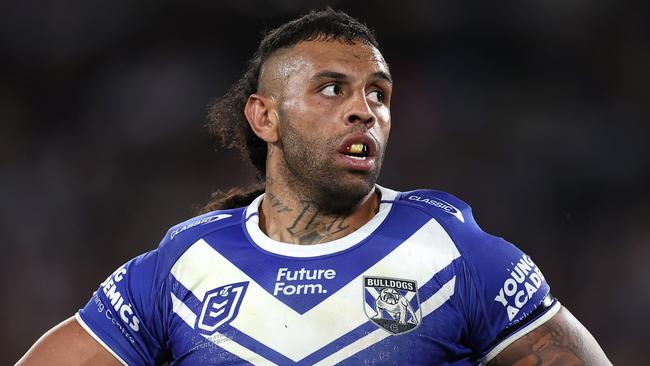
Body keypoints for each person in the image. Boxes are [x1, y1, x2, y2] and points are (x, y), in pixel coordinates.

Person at [18, 8, 611, 366]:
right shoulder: (182, 267)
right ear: (264, 117)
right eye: (332, 88)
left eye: (378, 93)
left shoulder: (456, 254)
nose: (364, 109)